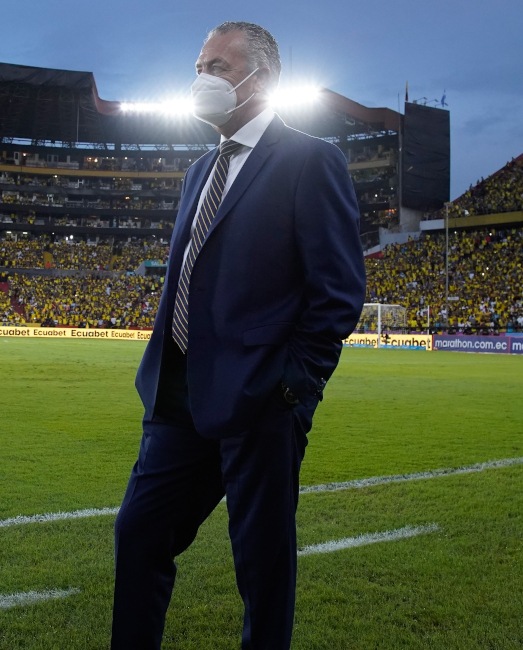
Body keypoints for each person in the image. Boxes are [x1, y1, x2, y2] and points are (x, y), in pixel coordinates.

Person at [110, 21, 366, 650]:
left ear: (264, 78)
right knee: (139, 535)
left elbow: (337, 291)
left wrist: (290, 388)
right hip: (178, 398)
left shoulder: (311, 160)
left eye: (218, 68)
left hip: (260, 402)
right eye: (199, 67)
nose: (203, 80)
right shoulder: (199, 170)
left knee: (261, 562)